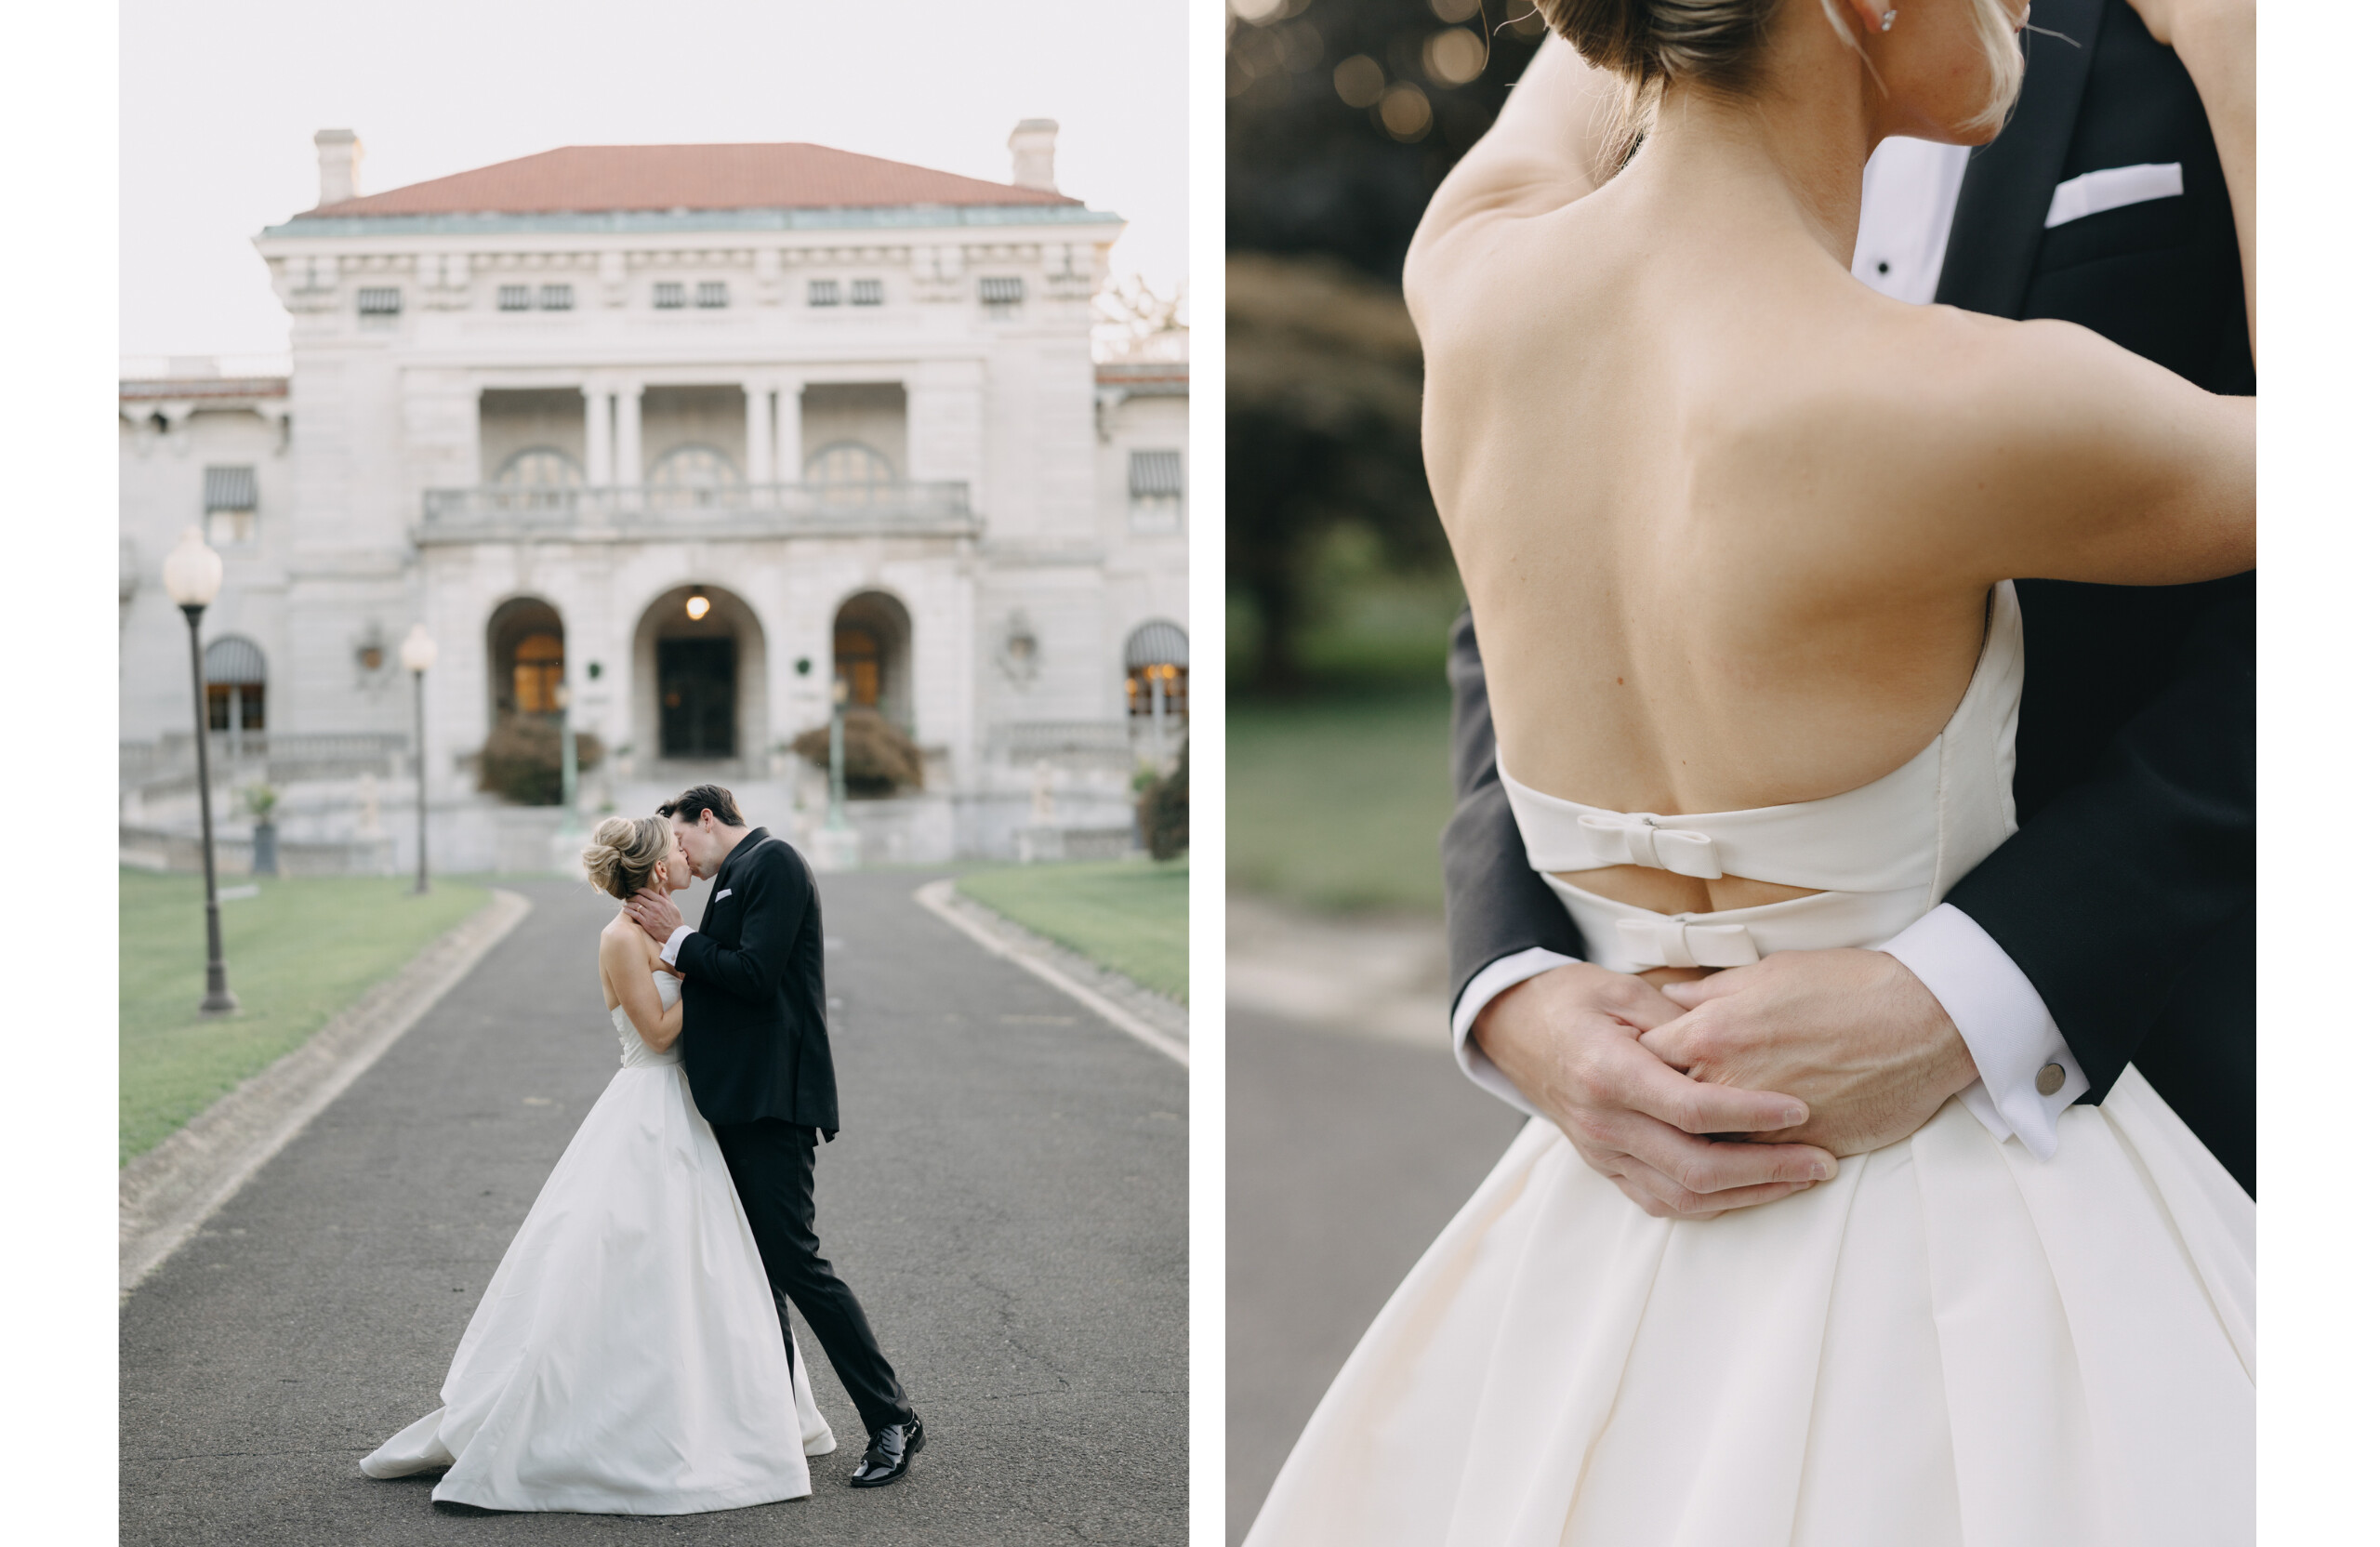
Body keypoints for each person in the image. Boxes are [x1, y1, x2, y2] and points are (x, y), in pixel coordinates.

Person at [1245, 0, 2254, 1540]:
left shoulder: (1470, 269)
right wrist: (2243, 51)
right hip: (1986, 1259)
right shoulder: (1955, 402)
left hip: (1617, 1247)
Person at [361, 814, 834, 1514]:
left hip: (692, 1113)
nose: (685, 852)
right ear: (656, 868)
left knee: (708, 1269)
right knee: (630, 1263)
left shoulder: (670, 930)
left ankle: (722, 1411)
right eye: (674, 847)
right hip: (648, 1108)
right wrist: (707, 975)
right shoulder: (620, 937)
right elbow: (659, 1032)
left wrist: (694, 952)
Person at [622, 785, 924, 1488]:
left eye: (680, 838)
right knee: (754, 1274)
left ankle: (893, 1418)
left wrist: (678, 938)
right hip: (733, 1103)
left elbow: (756, 977)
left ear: (706, 818)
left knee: (794, 1262)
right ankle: (772, 1425)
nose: (679, 856)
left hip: (772, 1101)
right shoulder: (735, 875)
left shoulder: (774, 863)